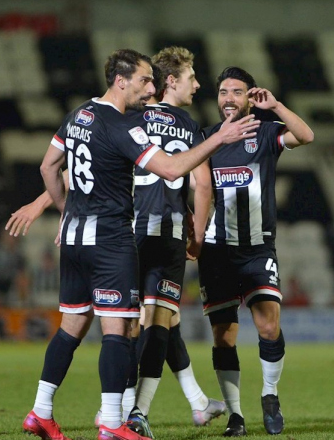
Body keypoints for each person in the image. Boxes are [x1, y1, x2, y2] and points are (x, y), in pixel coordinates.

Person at [20, 49, 258, 440]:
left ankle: (41, 411)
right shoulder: (121, 125)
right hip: (113, 239)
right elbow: (171, 168)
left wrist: (68, 210)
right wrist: (220, 137)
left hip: (75, 238)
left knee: (71, 329)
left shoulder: (79, 115)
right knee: (122, 331)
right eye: (146, 80)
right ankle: (114, 422)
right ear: (121, 80)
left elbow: (49, 167)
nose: (153, 87)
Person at [198, 66, 314, 436]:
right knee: (224, 337)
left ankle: (269, 394)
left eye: (236, 92)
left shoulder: (265, 133)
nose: (228, 98)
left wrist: (277, 106)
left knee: (268, 326)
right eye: (223, 92)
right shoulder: (208, 138)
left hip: (257, 247)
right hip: (216, 251)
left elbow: (306, 135)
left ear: (250, 97)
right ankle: (235, 415)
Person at [125, 47, 227, 438]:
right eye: (191, 77)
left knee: (163, 320)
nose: (198, 84)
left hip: (126, 231)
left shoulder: (129, 117)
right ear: (171, 81)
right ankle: (134, 411)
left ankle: (198, 402)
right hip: (166, 231)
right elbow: (203, 184)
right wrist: (198, 235)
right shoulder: (187, 125)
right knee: (157, 321)